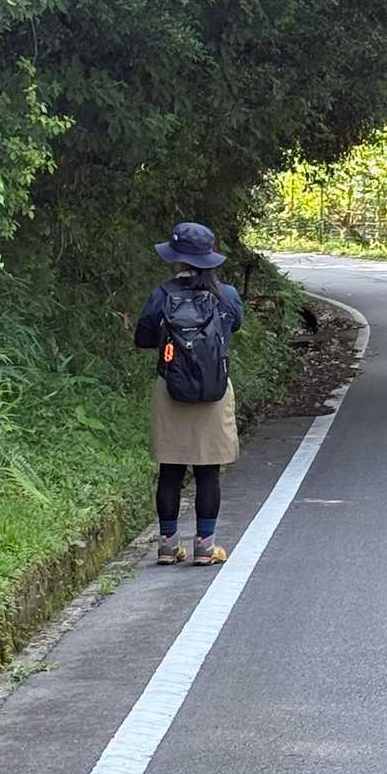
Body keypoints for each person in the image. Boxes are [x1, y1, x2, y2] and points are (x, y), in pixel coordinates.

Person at [134, 222, 243, 566]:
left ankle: (168, 546)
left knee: (170, 469)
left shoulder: (162, 294)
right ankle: (205, 547)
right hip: (214, 390)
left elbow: (142, 338)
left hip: (171, 388)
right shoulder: (226, 295)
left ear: (177, 259)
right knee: (208, 470)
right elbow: (234, 326)